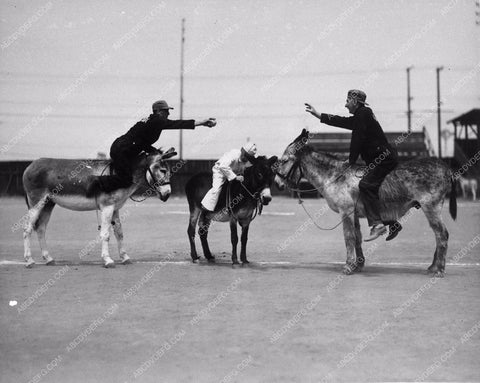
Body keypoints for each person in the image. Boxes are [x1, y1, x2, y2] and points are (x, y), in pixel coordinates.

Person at [305, 90, 400, 242]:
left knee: (366, 185)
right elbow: (340, 121)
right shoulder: (361, 115)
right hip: (378, 160)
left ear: (355, 102)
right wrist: (318, 114)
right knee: (368, 189)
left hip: (384, 160)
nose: (345, 104)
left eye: (347, 100)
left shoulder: (363, 114)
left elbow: (358, 139)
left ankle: (377, 225)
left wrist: (351, 161)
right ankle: (392, 223)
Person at [87, 100, 216, 195]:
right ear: (158, 111)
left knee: (130, 174)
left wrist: (156, 152)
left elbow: (142, 142)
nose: (168, 114)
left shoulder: (151, 120)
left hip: (124, 148)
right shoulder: (157, 121)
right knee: (126, 180)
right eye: (166, 111)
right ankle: (98, 182)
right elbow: (177, 124)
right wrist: (202, 122)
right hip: (123, 150)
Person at [201, 142, 258, 212]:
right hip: (220, 172)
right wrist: (235, 177)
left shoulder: (247, 161)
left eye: (249, 157)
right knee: (216, 189)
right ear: (242, 152)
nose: (246, 159)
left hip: (234, 173)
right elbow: (223, 166)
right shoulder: (233, 154)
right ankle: (205, 209)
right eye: (246, 156)